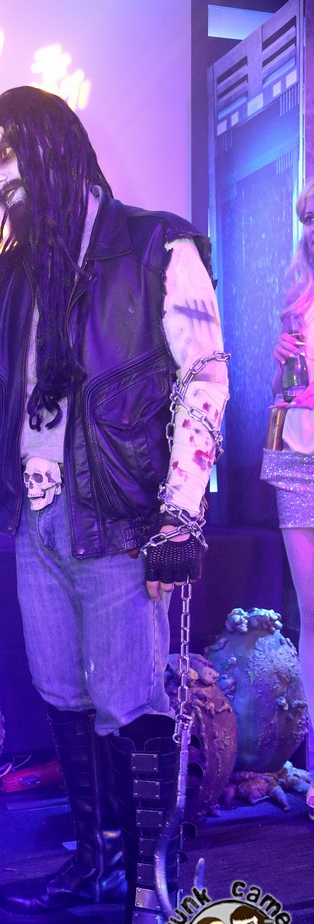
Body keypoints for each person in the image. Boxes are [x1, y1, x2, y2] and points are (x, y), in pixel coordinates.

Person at [0, 86, 229, 924]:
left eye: (10, 155)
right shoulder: (13, 267)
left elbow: (204, 376)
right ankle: (97, 858)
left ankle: (150, 905)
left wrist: (179, 513)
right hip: (37, 516)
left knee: (130, 701)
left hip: (120, 518)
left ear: (56, 151)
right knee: (61, 689)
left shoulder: (154, 244)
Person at [261, 179, 314, 822]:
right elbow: (283, 390)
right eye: (310, 218)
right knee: (310, 614)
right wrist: (280, 363)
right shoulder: (296, 293)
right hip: (297, 459)